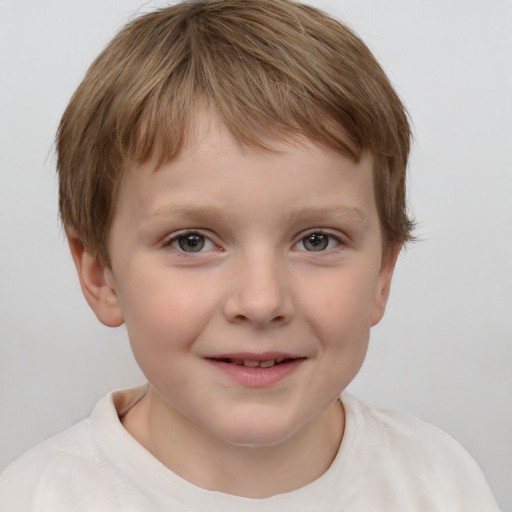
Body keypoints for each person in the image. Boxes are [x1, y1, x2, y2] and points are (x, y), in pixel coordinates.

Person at [0, 0, 500, 510]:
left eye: (316, 240)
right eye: (191, 241)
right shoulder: (34, 499)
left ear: (382, 276)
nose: (261, 302)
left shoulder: (441, 485)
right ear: (100, 274)